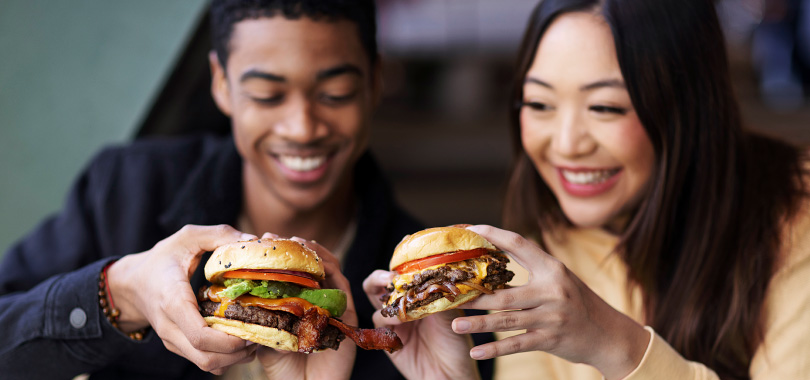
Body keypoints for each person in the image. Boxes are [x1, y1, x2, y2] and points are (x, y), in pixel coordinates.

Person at [365, 0, 810, 379]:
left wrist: (616, 344)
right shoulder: (539, 250)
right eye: (539, 103)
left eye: (605, 106)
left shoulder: (796, 218)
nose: (565, 144)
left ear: (688, 107)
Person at [0, 1, 435, 379]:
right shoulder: (123, 190)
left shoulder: (424, 288)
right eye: (267, 94)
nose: (302, 128)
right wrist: (120, 292)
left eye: (335, 93)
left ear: (375, 82)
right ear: (222, 83)